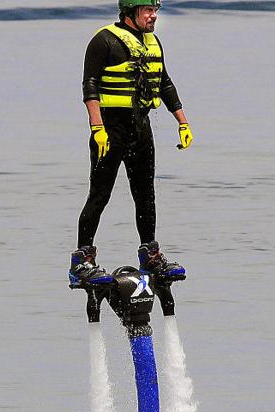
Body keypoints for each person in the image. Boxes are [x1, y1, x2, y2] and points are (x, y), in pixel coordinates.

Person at [71, 0, 190, 288]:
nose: (153, 16)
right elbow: (90, 86)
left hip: (141, 127)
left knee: (145, 194)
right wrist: (97, 127)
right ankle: (81, 261)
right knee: (99, 194)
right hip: (110, 129)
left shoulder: (153, 42)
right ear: (130, 13)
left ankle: (150, 254)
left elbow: (164, 82)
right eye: (148, 11)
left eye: (155, 11)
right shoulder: (104, 41)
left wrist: (182, 121)